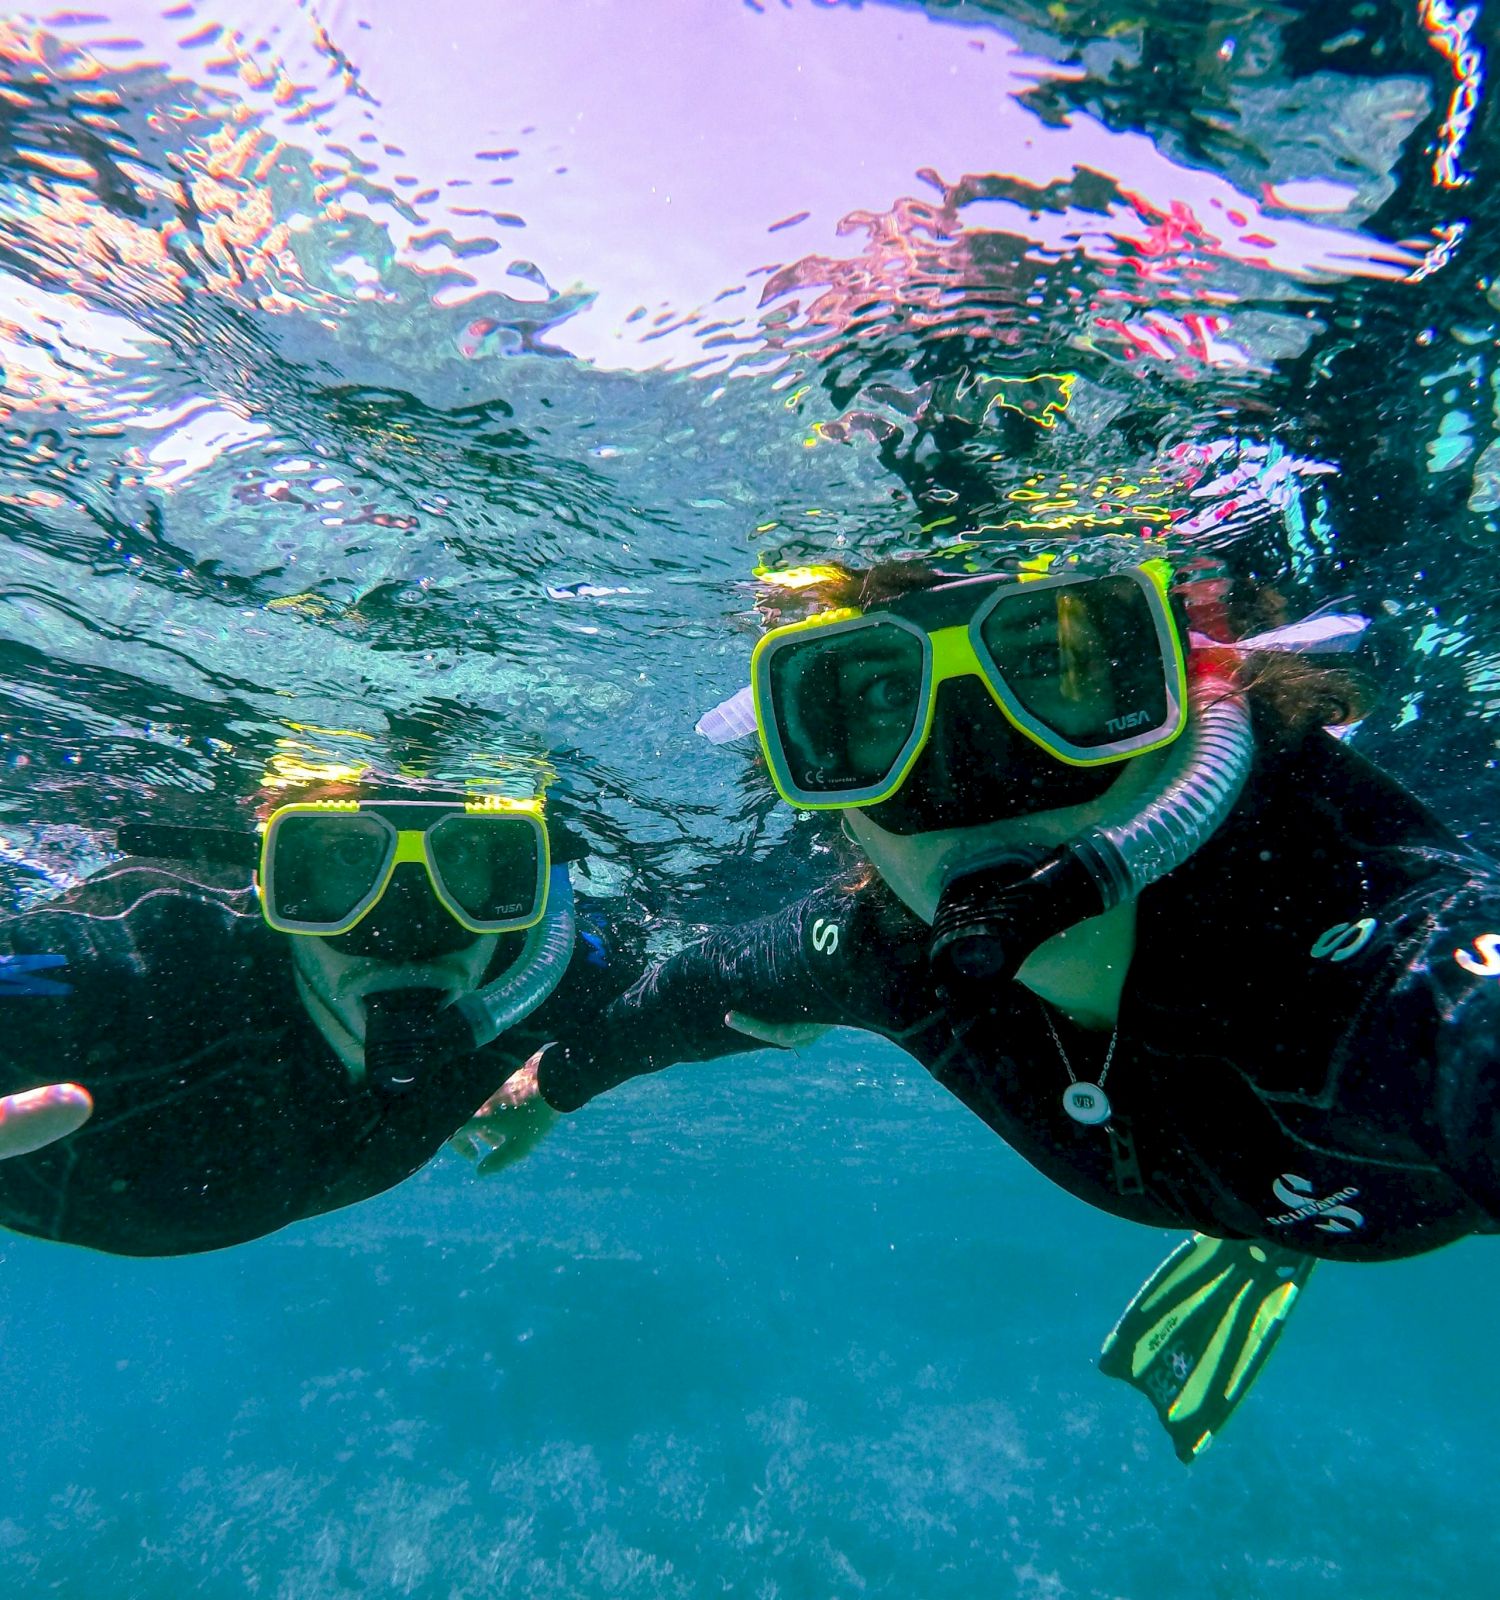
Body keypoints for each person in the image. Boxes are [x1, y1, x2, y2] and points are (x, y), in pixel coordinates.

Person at [481, 538, 1500, 1460]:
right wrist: (552, 1084)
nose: (969, 774)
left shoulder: (1386, 947)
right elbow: (695, 987)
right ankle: (1274, 1237)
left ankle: (1277, 1234)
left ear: (1195, 693)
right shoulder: (883, 949)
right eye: (876, 701)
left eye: (1056, 664)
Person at [0, 776, 627, 1255]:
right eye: (347, 859)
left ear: (515, 878)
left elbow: (693, 990)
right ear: (274, 878)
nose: (409, 928)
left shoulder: (547, 971)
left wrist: (562, 1078)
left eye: (463, 856)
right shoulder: (133, 973)